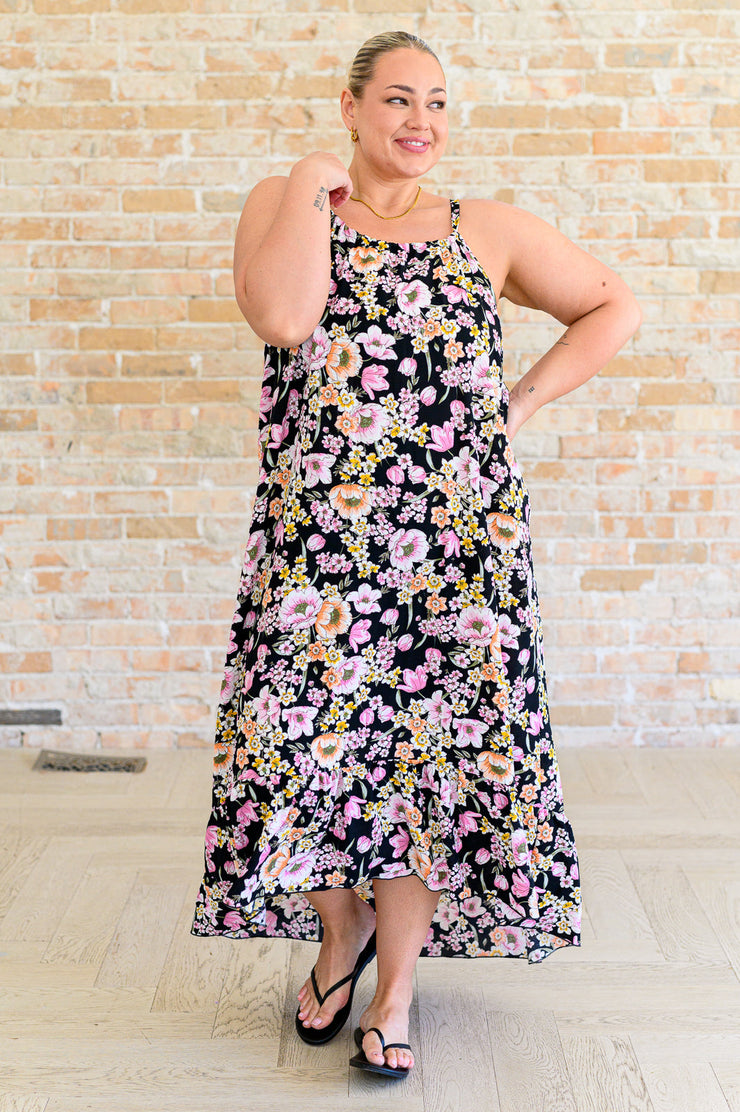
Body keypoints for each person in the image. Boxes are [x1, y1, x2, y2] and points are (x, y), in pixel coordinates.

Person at [191, 30, 642, 1081]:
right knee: (295, 748)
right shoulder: (291, 201)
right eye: (397, 99)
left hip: (457, 551)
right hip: (320, 546)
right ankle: (339, 930)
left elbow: (612, 304)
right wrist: (311, 179)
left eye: (436, 103)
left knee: (426, 767)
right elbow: (283, 316)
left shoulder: (484, 228)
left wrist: (517, 403)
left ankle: (394, 990)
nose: (420, 121)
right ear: (350, 107)